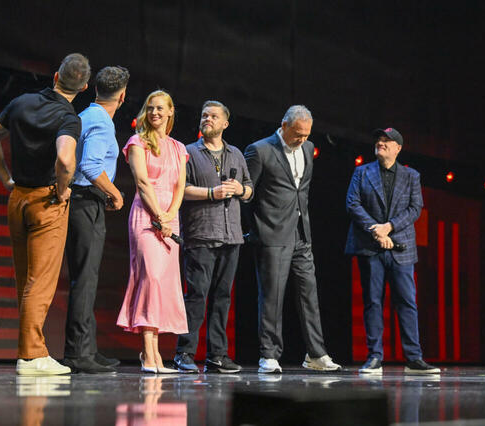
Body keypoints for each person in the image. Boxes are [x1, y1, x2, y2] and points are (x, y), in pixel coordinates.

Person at [0, 53, 90, 375]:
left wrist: (6, 178)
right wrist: (64, 188)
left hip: (18, 200)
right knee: (39, 283)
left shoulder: (21, 102)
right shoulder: (68, 117)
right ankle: (31, 356)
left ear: (56, 76)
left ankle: (32, 352)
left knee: (26, 281)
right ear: (83, 87)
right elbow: (65, 160)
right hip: (47, 202)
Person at [244, 105, 341, 373]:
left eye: (307, 134)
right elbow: (247, 194)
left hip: (301, 233)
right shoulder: (260, 150)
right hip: (272, 233)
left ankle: (316, 354)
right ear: (284, 125)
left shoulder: (308, 149)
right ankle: (269, 354)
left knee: (309, 295)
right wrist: (258, 229)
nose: (302, 139)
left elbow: (302, 191)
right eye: (298, 133)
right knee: (272, 297)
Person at [345, 127, 440, 374]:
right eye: (379, 139)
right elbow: (352, 204)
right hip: (370, 246)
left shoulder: (411, 176)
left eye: (387, 140)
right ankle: (374, 357)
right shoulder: (361, 172)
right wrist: (376, 231)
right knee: (372, 302)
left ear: (398, 148)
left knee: (407, 302)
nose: (381, 143)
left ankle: (414, 358)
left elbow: (415, 208)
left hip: (401, 248)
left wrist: (389, 227)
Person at [173, 101, 253, 374]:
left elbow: (250, 188)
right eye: (204, 115)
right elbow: (180, 189)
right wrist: (211, 193)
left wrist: (240, 189)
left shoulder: (236, 154)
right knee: (196, 295)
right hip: (201, 235)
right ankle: (184, 353)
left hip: (231, 236)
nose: (207, 119)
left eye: (213, 116)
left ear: (225, 124)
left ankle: (217, 355)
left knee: (222, 297)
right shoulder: (188, 152)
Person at [63, 66, 129, 374]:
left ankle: (86, 348)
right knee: (85, 280)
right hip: (86, 202)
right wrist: (115, 193)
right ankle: (78, 353)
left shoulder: (86, 114)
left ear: (95, 89)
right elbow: (90, 166)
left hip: (80, 202)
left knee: (85, 278)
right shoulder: (102, 122)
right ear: (122, 96)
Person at [116, 90, 188, 373]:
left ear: (170, 112)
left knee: (163, 284)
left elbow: (180, 186)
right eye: (150, 108)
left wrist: (170, 215)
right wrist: (159, 215)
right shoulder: (138, 142)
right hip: (147, 216)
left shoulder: (179, 148)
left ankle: (156, 355)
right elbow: (143, 183)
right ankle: (148, 353)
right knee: (151, 279)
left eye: (160, 108)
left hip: (170, 218)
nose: (154, 113)